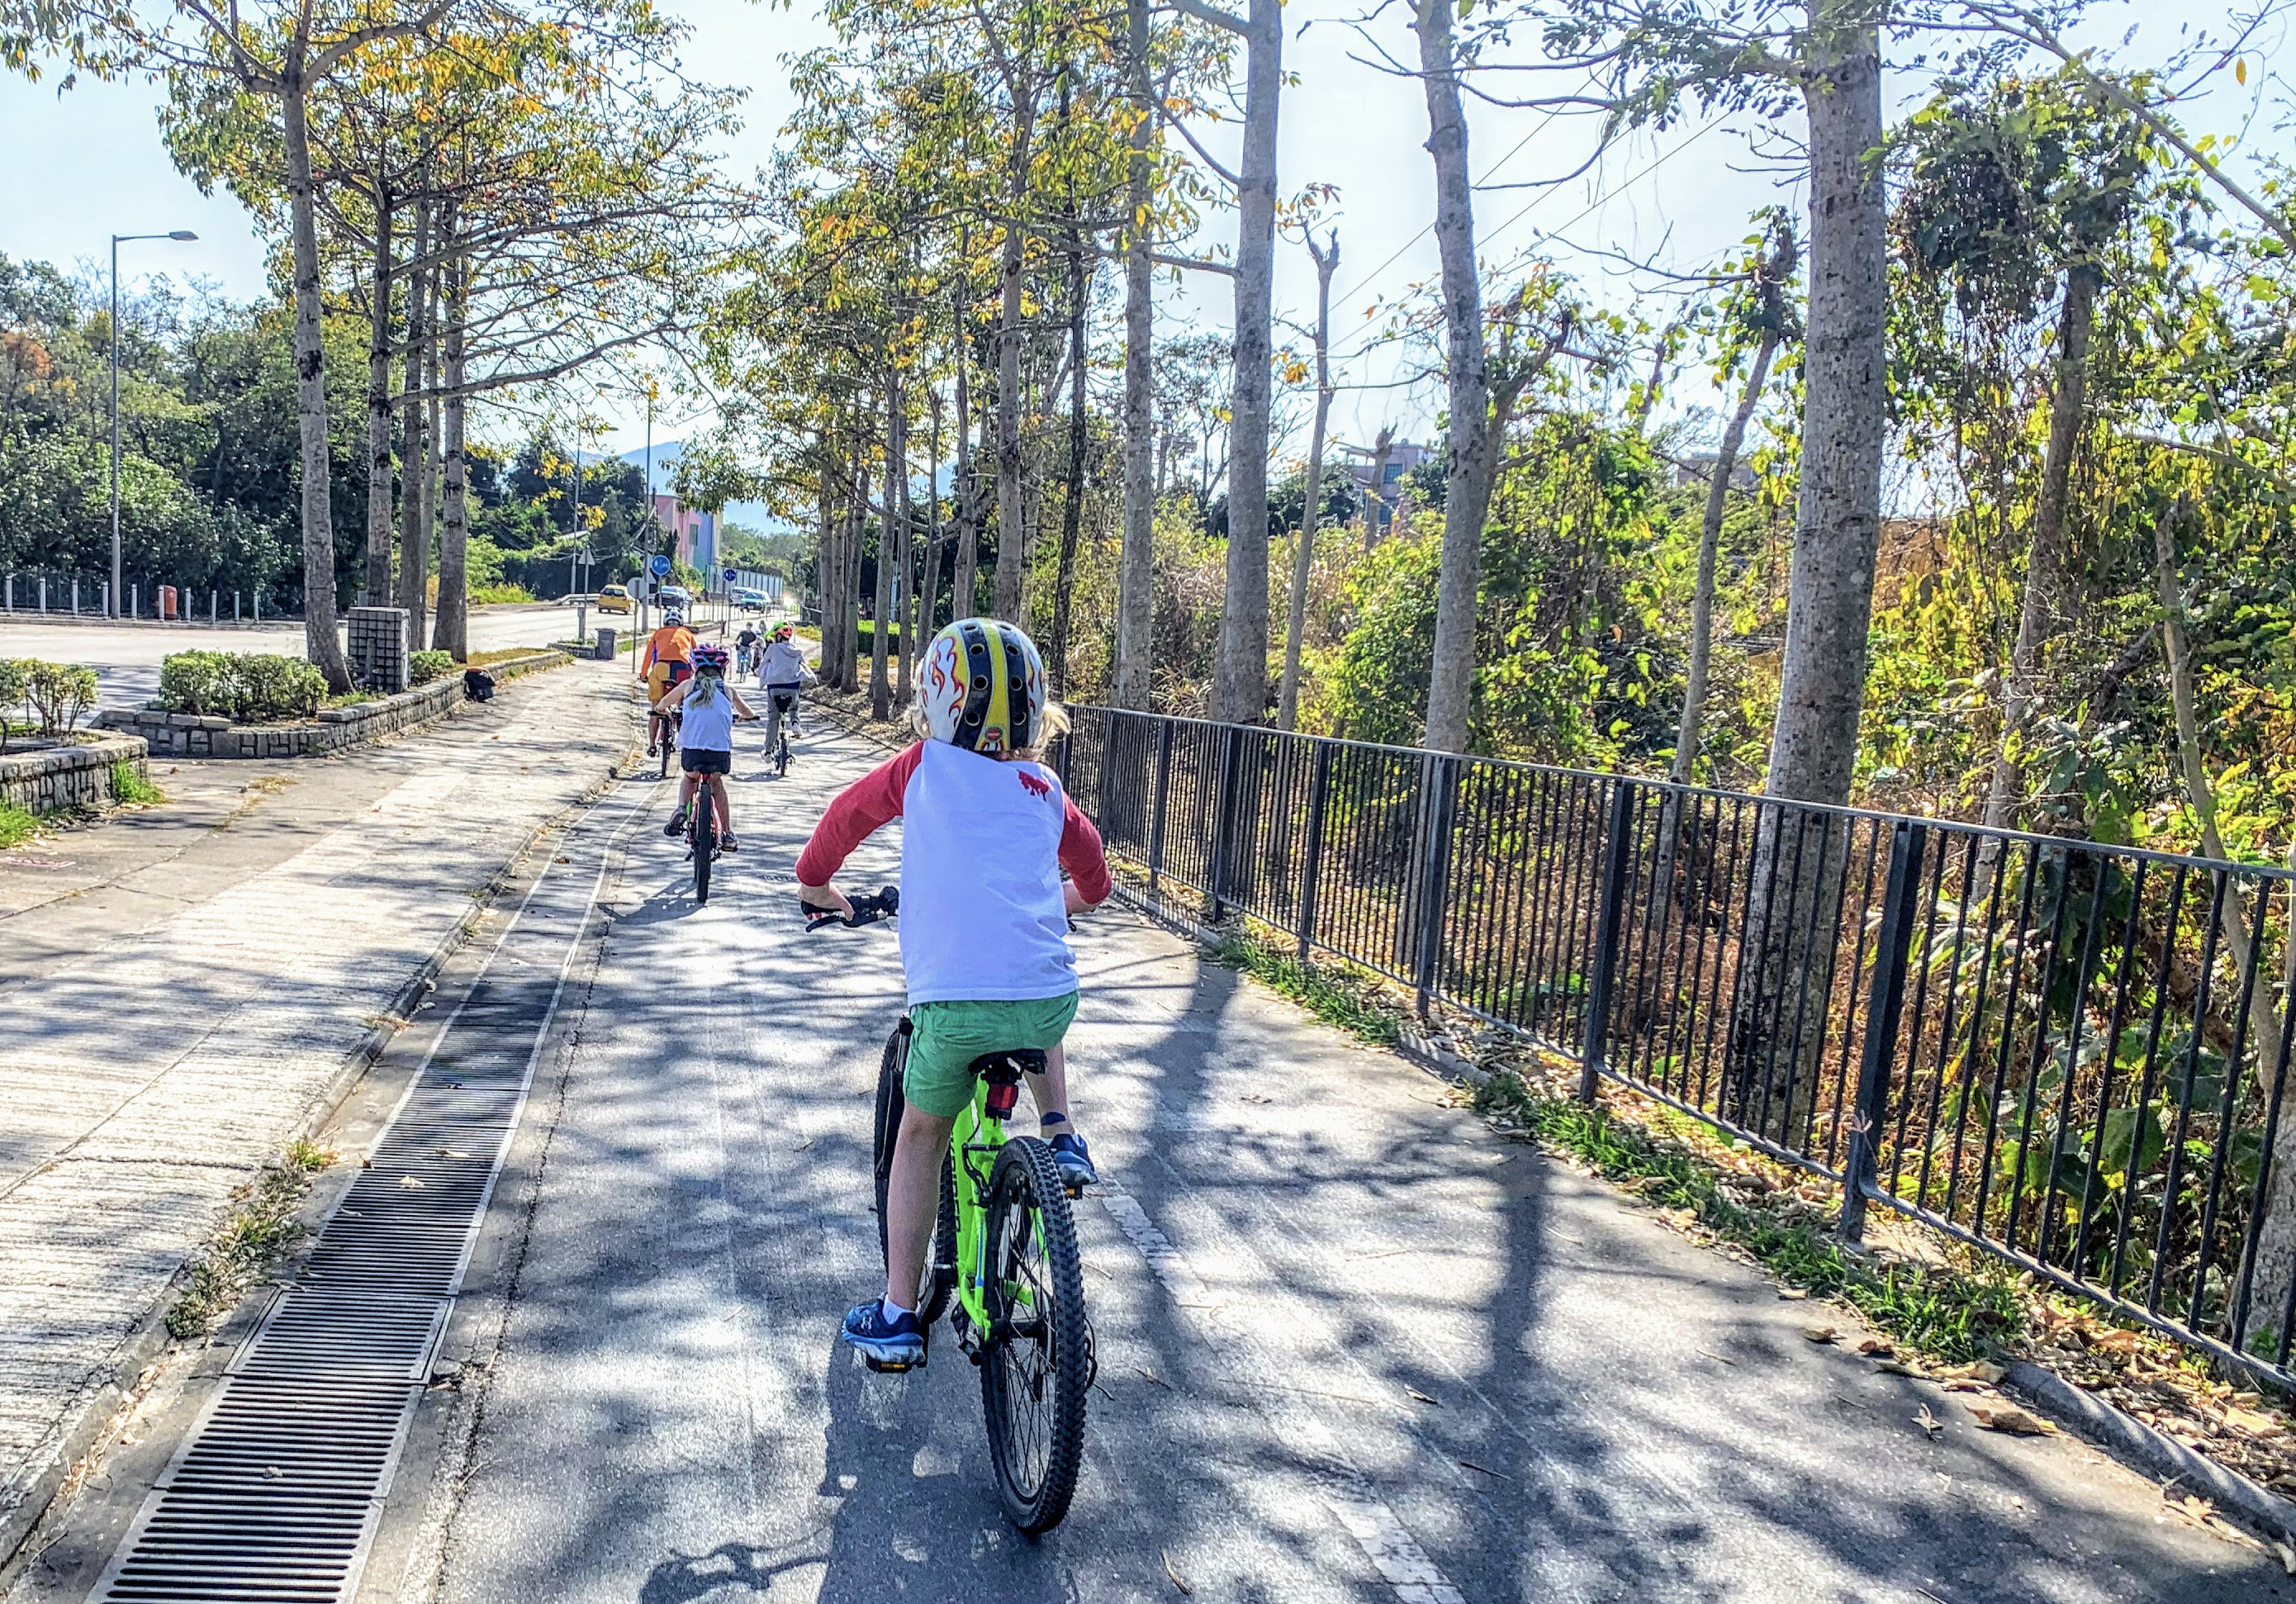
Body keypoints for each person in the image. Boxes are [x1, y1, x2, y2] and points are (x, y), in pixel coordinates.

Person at [797, 617, 1112, 1369]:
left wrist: (816, 883)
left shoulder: (920, 769)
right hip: (1043, 1000)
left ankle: (900, 1314)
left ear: (938, 702)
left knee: (920, 1137)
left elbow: (844, 818)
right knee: (1039, 988)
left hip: (951, 1008)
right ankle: (1061, 1132)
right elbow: (1094, 876)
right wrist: (1061, 903)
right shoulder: (1045, 787)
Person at [658, 643, 758, 852]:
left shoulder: (687, 686)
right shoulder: (728, 690)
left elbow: (661, 705)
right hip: (718, 754)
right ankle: (728, 834)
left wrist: (668, 712)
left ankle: (680, 809)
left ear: (695, 667)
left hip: (692, 752)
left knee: (690, 777)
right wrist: (741, 717)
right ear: (722, 669)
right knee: (716, 783)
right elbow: (749, 713)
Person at [640, 608, 696, 756]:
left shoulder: (658, 633)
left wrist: (643, 674)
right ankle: (684, 739)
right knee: (683, 705)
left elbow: (648, 656)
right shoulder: (688, 634)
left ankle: (652, 745)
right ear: (681, 622)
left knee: (655, 708)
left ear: (665, 622)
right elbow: (696, 655)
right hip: (682, 669)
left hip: (661, 667)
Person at [758, 624, 814, 757]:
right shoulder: (797, 651)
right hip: (792, 687)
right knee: (794, 708)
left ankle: (768, 751)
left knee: (773, 718)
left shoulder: (772, 648)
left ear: (778, 637)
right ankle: (795, 724)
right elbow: (803, 665)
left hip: (774, 687)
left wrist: (759, 673)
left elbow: (764, 664)